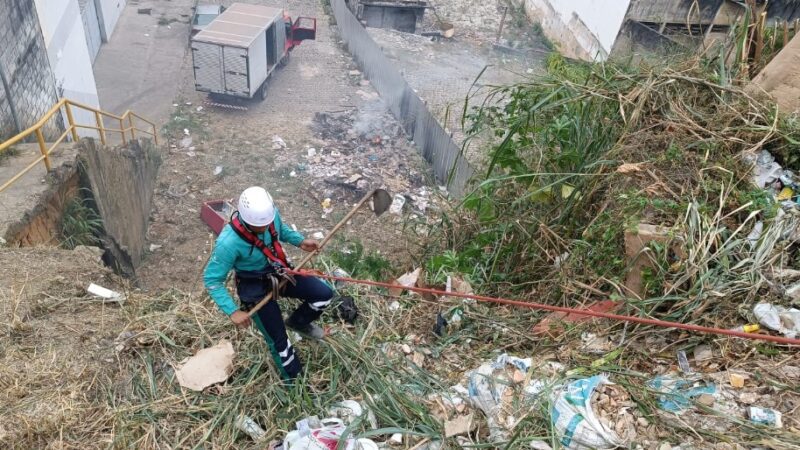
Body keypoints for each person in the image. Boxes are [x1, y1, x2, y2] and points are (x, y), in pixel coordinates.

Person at [204, 186, 334, 380]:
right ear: (246, 220)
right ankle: (295, 383)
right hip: (254, 287)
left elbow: (281, 230)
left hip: (278, 270)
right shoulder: (228, 243)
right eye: (260, 227)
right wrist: (232, 311)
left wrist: (300, 242)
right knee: (280, 342)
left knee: (323, 295)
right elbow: (212, 280)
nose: (265, 228)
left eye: (267, 223)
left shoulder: (270, 216)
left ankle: (298, 323)